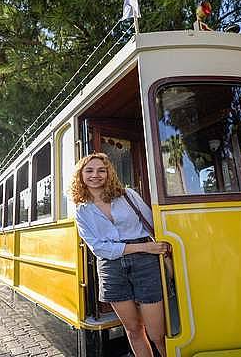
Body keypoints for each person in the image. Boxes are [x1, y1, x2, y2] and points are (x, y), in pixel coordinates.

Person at [71, 153, 169, 357]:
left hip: (145, 264)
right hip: (111, 268)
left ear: (109, 173)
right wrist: (142, 248)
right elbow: (98, 248)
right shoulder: (81, 210)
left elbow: (151, 225)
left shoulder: (128, 195)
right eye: (89, 171)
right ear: (81, 176)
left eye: (101, 170)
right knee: (134, 330)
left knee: (157, 333)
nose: (95, 175)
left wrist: (153, 248)